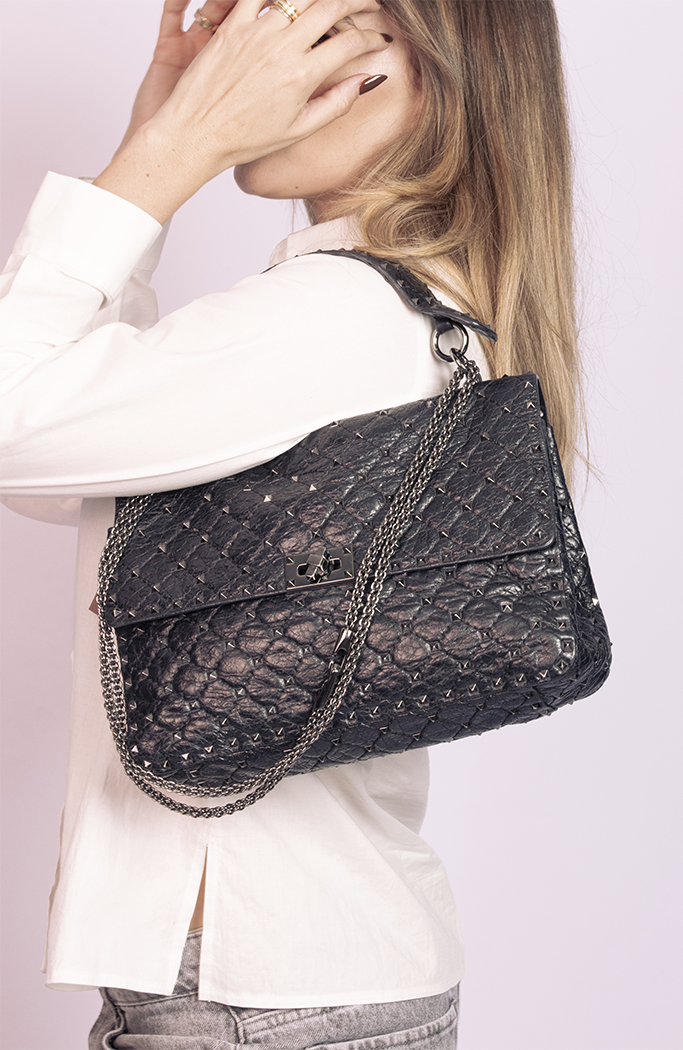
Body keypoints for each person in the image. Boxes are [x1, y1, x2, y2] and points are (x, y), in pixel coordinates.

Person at [0, 0, 581, 1045]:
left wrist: (169, 152)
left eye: (297, 24)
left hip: (254, 999)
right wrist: (162, 130)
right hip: (290, 982)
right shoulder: (394, 305)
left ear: (410, 69)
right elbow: (59, 472)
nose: (245, 58)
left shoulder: (338, 315)